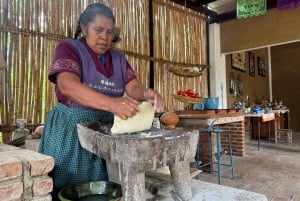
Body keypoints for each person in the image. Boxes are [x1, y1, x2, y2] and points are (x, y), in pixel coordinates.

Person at [38, 2, 164, 199]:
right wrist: (112, 103)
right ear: (83, 27)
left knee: (104, 188)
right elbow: (67, 86)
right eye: (98, 30)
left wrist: (147, 94)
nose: (105, 37)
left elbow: (133, 88)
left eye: (110, 32)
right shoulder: (69, 48)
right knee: (73, 190)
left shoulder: (119, 59)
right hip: (72, 131)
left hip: (105, 132)